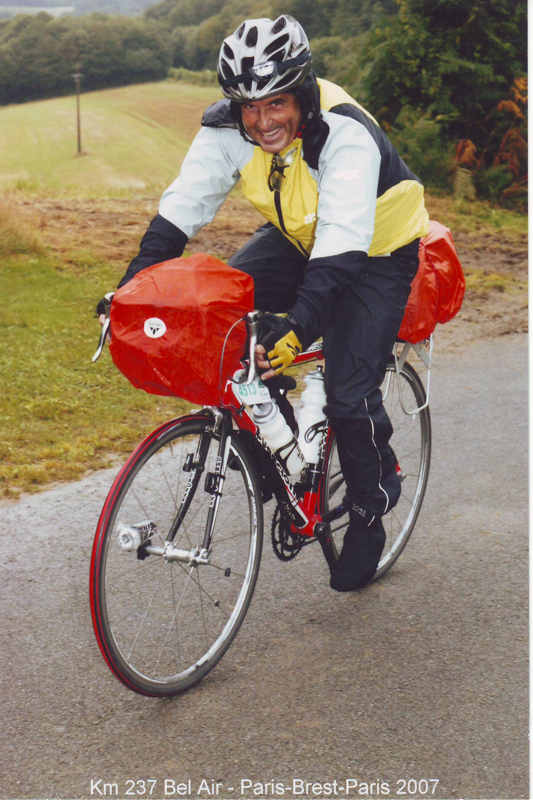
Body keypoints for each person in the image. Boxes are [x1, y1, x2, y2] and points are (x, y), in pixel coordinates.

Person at [97, 14, 429, 592]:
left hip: (375, 249)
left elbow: (342, 246)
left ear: (302, 91)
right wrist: (130, 290)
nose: (262, 121)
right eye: (249, 107)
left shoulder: (345, 133)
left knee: (348, 390)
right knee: (218, 319)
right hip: (298, 238)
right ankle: (282, 443)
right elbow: (182, 210)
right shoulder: (229, 128)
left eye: (276, 103)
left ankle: (371, 502)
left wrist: (297, 327)